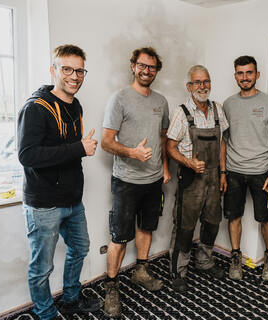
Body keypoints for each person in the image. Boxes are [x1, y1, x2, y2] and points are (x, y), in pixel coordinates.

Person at [18, 44, 101, 320]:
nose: (74, 76)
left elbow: (68, 148)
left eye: (79, 70)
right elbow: (27, 155)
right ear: (53, 70)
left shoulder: (75, 105)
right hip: (44, 205)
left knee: (80, 247)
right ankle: (44, 312)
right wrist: (79, 148)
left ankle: (70, 298)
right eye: (67, 69)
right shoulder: (35, 108)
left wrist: (82, 148)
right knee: (41, 267)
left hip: (72, 200)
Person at [101, 47, 170, 317]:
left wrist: (164, 166)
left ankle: (141, 270)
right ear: (133, 66)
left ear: (156, 71)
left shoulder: (161, 101)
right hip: (126, 180)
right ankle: (111, 286)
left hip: (153, 180)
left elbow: (162, 137)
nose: (146, 71)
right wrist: (132, 152)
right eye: (142, 65)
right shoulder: (119, 99)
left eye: (152, 67)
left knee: (147, 228)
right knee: (119, 236)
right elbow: (107, 141)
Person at [167, 65, 229, 292]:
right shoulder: (181, 113)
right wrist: (188, 162)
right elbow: (170, 147)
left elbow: (222, 142)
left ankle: (205, 262)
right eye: (197, 82)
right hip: (191, 180)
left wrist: (223, 172)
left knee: (212, 222)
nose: (202, 86)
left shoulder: (217, 109)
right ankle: (178, 271)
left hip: (214, 179)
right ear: (189, 86)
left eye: (206, 81)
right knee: (184, 227)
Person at [223, 55, 268, 281]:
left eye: (249, 72)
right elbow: (225, 139)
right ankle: (235, 257)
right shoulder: (228, 104)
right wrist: (223, 171)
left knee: (266, 218)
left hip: (262, 174)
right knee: (233, 216)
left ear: (257, 75)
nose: (245, 77)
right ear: (235, 76)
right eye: (240, 73)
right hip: (234, 172)